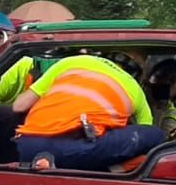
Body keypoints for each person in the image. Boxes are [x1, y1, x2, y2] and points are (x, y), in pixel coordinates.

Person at [14, 53, 162, 170]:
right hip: (76, 150)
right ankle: (110, 169)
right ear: (136, 74)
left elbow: (19, 106)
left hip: (28, 145)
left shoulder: (69, 63)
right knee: (156, 134)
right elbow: (146, 138)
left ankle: (45, 160)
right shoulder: (133, 87)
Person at [145, 57, 176, 138]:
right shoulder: (135, 96)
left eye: (171, 81)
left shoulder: (170, 119)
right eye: (159, 77)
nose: (164, 83)